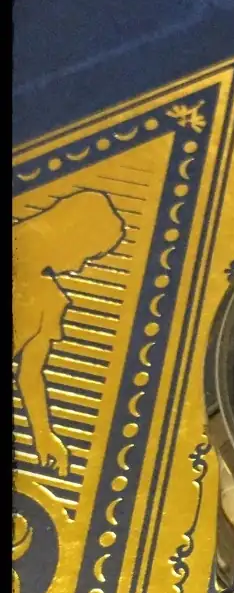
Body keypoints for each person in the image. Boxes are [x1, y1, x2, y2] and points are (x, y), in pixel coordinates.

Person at [12, 189, 126, 477]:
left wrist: (43, 434)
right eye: (85, 254)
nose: (77, 267)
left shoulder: (51, 300)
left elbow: (30, 374)